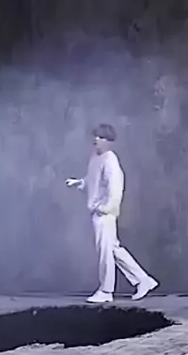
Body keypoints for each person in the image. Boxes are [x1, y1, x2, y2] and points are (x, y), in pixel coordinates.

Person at [66, 124, 158, 303]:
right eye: (96, 136)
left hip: (104, 214)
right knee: (113, 249)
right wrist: (79, 183)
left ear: (109, 141)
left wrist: (106, 208)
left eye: (101, 137)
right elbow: (93, 180)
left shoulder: (110, 160)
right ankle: (143, 280)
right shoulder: (95, 157)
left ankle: (106, 290)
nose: (97, 139)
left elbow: (115, 188)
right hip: (97, 211)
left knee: (105, 252)